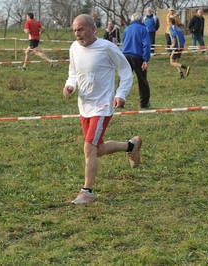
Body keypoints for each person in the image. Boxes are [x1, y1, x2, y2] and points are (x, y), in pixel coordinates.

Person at [63, 14, 141, 204]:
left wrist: (121, 94)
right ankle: (131, 146)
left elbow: (125, 70)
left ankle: (87, 192)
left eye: (81, 29)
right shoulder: (74, 48)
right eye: (75, 30)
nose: (77, 34)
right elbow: (73, 72)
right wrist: (70, 85)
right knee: (96, 150)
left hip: (102, 105)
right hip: (84, 105)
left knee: (89, 147)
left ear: (92, 29)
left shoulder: (107, 48)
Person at [122, 12, 151, 109]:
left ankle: (119, 101)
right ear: (141, 19)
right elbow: (146, 45)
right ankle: (144, 103)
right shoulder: (143, 29)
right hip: (137, 56)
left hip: (125, 56)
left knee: (123, 79)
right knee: (142, 80)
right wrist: (146, 59)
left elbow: (123, 41)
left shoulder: (127, 29)